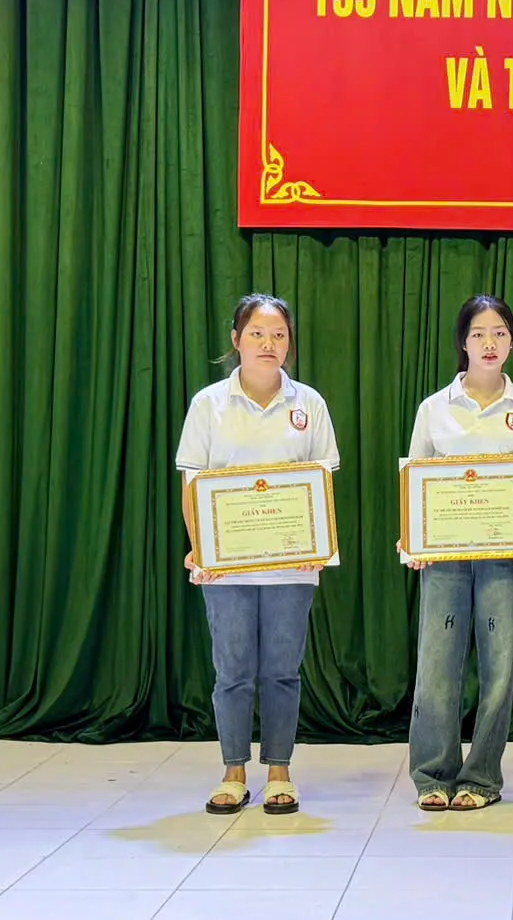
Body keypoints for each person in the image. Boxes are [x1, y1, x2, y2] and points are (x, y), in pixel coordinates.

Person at [176, 294, 340, 816]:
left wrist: (318, 544)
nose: (269, 344)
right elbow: (192, 486)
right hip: (226, 569)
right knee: (232, 672)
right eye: (257, 334)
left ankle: (279, 772)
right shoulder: (208, 404)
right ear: (236, 340)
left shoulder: (309, 404)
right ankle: (232, 772)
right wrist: (202, 549)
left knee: (282, 672)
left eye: (279, 335)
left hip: (293, 566)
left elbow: (322, 483)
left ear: (289, 343)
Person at [401, 295, 513, 811]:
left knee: (500, 670)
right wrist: (413, 536)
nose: (489, 343)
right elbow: (415, 480)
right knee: (437, 668)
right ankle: (432, 775)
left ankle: (481, 778)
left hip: (506, 559)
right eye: (478, 334)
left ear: (512, 343)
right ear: (463, 343)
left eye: (499, 334)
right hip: (444, 559)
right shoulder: (434, 408)